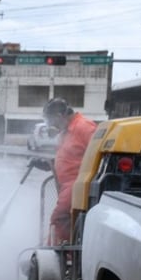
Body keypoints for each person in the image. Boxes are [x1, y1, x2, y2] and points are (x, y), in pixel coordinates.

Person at [42, 98, 97, 244]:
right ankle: (57, 253)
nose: (51, 125)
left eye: (51, 121)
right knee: (63, 221)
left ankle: (59, 256)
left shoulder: (84, 127)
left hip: (77, 184)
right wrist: (47, 164)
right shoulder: (65, 131)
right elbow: (67, 156)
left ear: (60, 116)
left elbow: (99, 155)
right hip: (67, 185)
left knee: (59, 219)